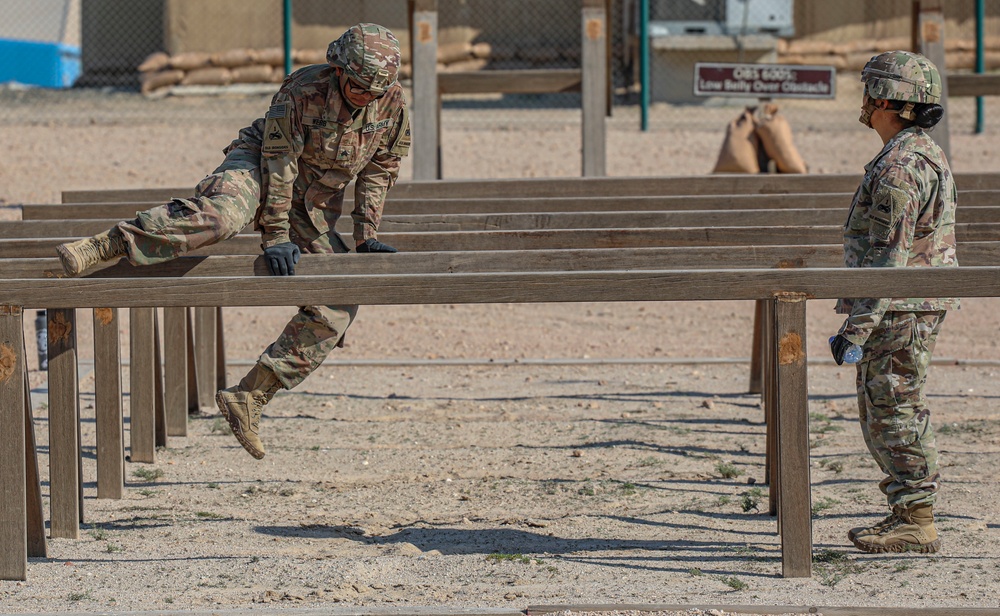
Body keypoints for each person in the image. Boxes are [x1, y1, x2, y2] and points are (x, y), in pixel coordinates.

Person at [56, 23, 411, 460]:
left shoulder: (391, 104)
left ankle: (250, 396)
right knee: (221, 218)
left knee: (337, 304)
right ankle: (111, 243)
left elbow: (379, 173)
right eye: (357, 86)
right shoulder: (304, 89)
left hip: (313, 195)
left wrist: (367, 237)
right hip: (259, 167)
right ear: (339, 71)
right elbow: (279, 162)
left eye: (374, 91)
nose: (364, 97)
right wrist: (275, 236)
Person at [828, 50, 958, 554]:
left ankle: (918, 518)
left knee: (895, 410)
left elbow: (888, 258)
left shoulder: (901, 167)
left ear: (886, 100)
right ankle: (905, 510)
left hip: (897, 310)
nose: (862, 101)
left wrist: (854, 333)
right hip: (904, 307)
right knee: (887, 407)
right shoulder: (916, 151)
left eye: (868, 91)